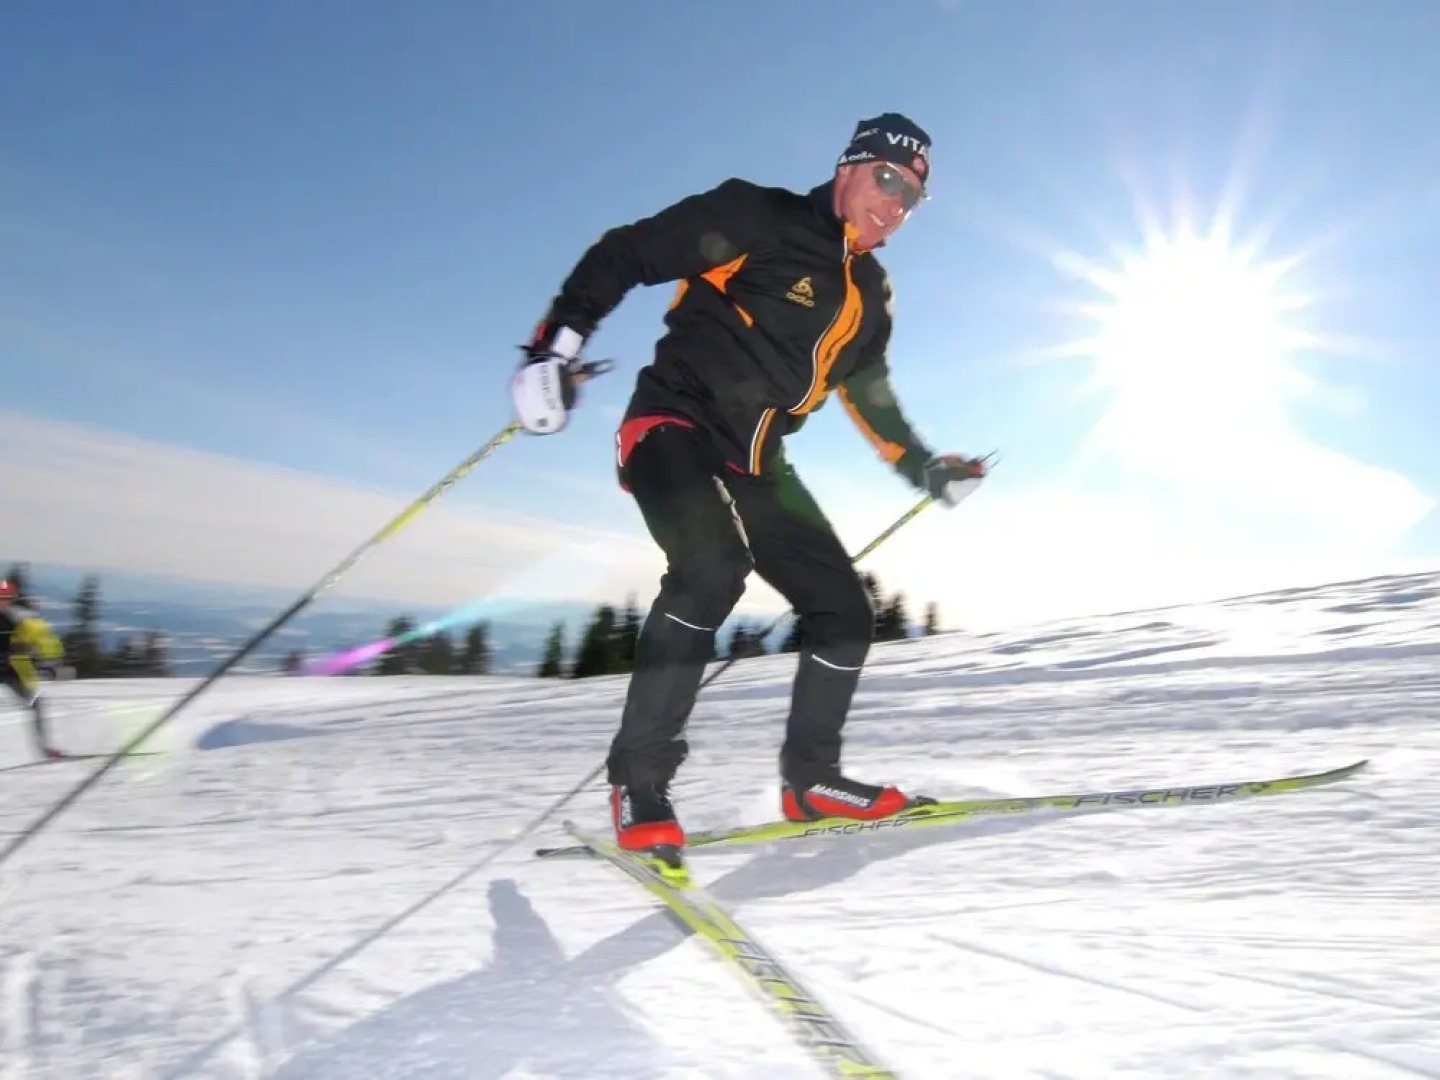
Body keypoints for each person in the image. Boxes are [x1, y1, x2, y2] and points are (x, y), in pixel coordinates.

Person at [510, 113, 989, 856]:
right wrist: (554, 347)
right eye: (889, 180)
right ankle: (639, 781)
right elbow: (627, 252)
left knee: (844, 611)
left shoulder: (871, 293)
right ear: (849, 168)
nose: (896, 204)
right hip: (673, 424)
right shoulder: (759, 216)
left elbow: (871, 397)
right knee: (712, 566)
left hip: (759, 462)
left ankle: (812, 781)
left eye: (913, 197)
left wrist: (926, 469)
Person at [0, 578, 68, 758]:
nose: (2, 602)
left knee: (35, 703)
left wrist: (54, 660)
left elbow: (43, 639)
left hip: (11, 671)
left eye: (5, 598)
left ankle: (46, 749)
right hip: (9, 668)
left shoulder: (19, 619)